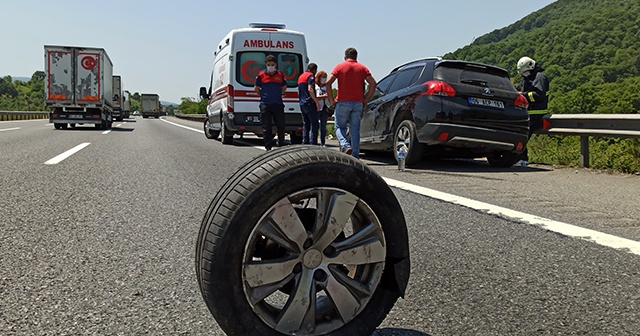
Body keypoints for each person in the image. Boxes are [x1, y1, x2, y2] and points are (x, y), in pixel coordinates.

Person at [325, 47, 376, 157]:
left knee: (339, 127)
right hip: (358, 102)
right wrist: (366, 99)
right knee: (355, 130)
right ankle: (355, 154)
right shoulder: (362, 68)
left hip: (343, 101)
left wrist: (331, 99)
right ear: (356, 57)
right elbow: (373, 83)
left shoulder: (340, 66)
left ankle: (345, 145)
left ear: (345, 57)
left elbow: (328, 82)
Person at [516, 56, 549, 166]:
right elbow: (519, 89)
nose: (524, 74)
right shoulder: (527, 78)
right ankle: (518, 157)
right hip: (526, 112)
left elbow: (538, 95)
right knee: (519, 133)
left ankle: (522, 158)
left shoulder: (540, 78)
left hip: (537, 113)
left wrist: (524, 95)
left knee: (523, 134)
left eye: (525, 72)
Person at [254, 55, 287, 150]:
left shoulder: (280, 75)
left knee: (281, 125)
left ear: (275, 64)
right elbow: (256, 88)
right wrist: (263, 95)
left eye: (272, 64)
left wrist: (280, 94)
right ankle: (268, 146)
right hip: (265, 104)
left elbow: (284, 87)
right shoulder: (261, 75)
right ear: (266, 65)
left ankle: (281, 143)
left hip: (277, 104)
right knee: (266, 127)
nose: (270, 66)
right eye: (268, 64)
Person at [297, 63, 320, 144]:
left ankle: (305, 142)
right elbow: (310, 89)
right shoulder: (310, 76)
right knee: (314, 124)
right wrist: (316, 102)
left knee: (306, 125)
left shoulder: (301, 76)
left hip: (302, 103)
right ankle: (313, 143)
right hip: (309, 102)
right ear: (314, 70)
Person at [315, 70, 330, 146]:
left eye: (325, 77)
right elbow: (315, 97)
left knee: (323, 127)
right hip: (317, 108)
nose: (324, 78)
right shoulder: (315, 86)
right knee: (315, 126)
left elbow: (330, 96)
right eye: (323, 77)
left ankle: (322, 142)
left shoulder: (327, 87)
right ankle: (313, 142)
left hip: (325, 108)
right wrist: (324, 96)